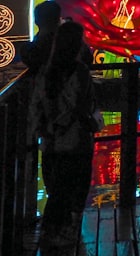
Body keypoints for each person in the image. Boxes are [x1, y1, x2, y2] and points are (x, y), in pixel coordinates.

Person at [27, 21, 96, 249]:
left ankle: (50, 232)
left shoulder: (45, 72)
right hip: (75, 140)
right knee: (73, 187)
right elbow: (82, 104)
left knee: (56, 188)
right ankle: (66, 232)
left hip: (51, 142)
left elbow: (36, 106)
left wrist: (46, 130)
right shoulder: (81, 72)